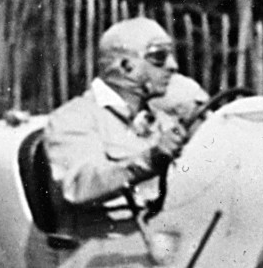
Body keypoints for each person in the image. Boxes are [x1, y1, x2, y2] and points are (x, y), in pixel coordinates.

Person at [39, 16, 207, 215]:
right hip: (104, 239)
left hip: (161, 233)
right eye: (159, 56)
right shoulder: (74, 118)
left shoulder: (158, 118)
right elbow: (77, 186)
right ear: (126, 66)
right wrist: (149, 160)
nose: (173, 66)